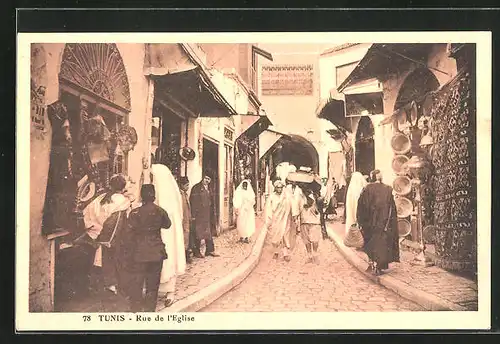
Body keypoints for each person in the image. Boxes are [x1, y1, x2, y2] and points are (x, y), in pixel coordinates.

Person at [82, 174, 131, 296]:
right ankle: (114, 286)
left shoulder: (100, 199)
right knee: (115, 261)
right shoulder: (124, 201)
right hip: (115, 237)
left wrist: (97, 229)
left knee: (101, 261)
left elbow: (86, 215)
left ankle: (103, 287)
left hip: (98, 235)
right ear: (123, 187)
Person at [127, 184, 171, 312]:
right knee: (153, 284)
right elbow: (167, 225)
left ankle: (135, 309)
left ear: (142, 196)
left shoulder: (135, 213)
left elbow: (129, 231)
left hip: (139, 253)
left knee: (137, 283)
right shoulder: (160, 211)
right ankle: (149, 310)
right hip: (156, 252)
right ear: (154, 195)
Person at [151, 163, 187, 308]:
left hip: (168, 236)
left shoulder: (170, 203)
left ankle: (169, 292)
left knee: (170, 259)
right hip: (158, 236)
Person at [356, 170, 400, 275]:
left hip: (370, 222)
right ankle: (379, 266)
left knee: (371, 242)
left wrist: (361, 221)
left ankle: (372, 264)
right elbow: (392, 208)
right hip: (384, 222)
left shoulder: (367, 189)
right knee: (382, 244)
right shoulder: (388, 189)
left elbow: (361, 206)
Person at [190, 174, 220, 258]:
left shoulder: (209, 188)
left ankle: (209, 250)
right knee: (198, 233)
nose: (207, 180)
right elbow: (193, 202)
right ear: (203, 178)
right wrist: (193, 215)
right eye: (206, 178)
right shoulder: (196, 188)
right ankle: (196, 252)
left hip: (207, 214)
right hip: (199, 214)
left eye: (209, 179)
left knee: (208, 233)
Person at [265, 179, 293, 262]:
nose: (279, 189)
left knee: (284, 235)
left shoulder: (286, 197)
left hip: (284, 219)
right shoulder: (272, 197)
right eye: (278, 188)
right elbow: (269, 208)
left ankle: (285, 254)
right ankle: (276, 252)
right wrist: (269, 219)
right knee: (276, 235)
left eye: (281, 188)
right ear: (275, 188)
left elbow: (290, 205)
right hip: (275, 219)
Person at [297, 187, 323, 264]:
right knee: (306, 240)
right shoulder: (299, 197)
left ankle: (315, 255)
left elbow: (320, 208)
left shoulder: (316, 196)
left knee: (315, 239)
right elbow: (297, 208)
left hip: (315, 222)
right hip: (304, 221)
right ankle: (309, 256)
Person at [233, 179, 256, 243]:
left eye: (246, 185)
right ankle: (241, 236)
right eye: (244, 185)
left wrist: (248, 205)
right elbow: (236, 199)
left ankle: (246, 237)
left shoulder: (250, 192)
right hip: (241, 210)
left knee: (248, 223)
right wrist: (237, 207)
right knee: (241, 223)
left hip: (248, 210)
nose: (245, 186)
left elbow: (253, 201)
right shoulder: (239, 192)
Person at [178, 176, 193, 264]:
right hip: (182, 218)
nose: (188, 187)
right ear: (181, 185)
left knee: (187, 236)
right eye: (186, 185)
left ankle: (186, 253)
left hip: (187, 218)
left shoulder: (185, 194)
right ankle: (184, 255)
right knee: (183, 236)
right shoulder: (179, 195)